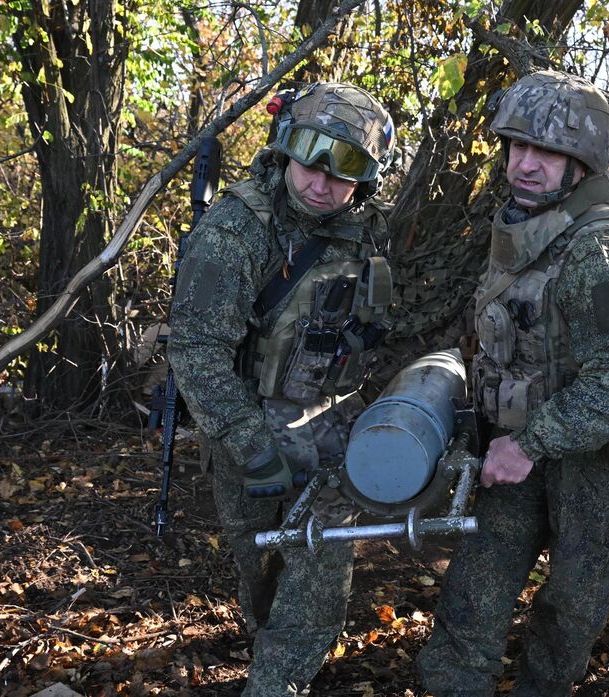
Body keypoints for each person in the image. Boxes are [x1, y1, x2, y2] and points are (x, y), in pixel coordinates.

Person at [417, 70, 609, 696]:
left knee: (570, 604)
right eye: (518, 146)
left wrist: (530, 443)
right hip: (523, 446)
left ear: (581, 165)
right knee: (474, 589)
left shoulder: (600, 254)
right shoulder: (526, 227)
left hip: (592, 461)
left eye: (548, 152)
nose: (526, 165)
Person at [168, 82, 396, 696]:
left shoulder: (370, 232)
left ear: (366, 176)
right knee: (258, 562)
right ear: (286, 147)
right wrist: (248, 445)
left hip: (331, 424)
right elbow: (196, 350)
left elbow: (384, 329)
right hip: (246, 420)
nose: (321, 182)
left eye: (344, 167)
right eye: (310, 157)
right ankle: (267, 632)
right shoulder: (237, 228)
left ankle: (276, 681)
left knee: (319, 566)